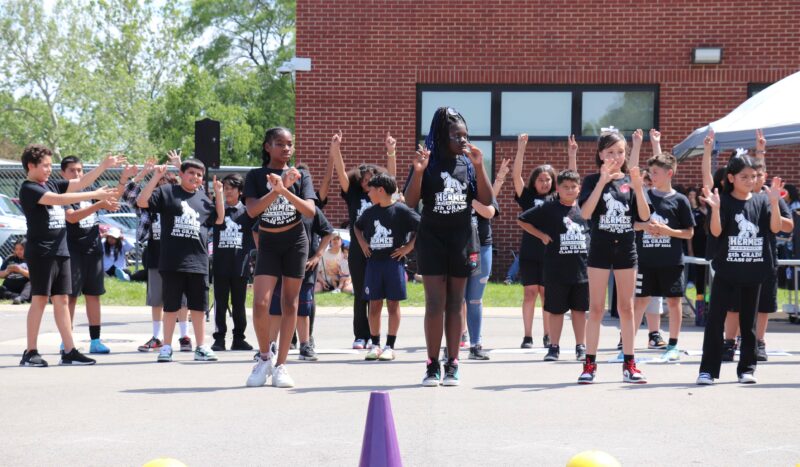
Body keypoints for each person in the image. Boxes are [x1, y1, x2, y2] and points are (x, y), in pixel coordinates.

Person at [404, 107, 494, 386]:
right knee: (435, 303)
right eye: (457, 135)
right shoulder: (427, 163)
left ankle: (453, 363)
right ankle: (432, 365)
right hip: (432, 239)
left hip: (463, 239)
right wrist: (418, 172)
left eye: (466, 135)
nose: (463, 141)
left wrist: (480, 167)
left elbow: (488, 201)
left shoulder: (467, 164)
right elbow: (409, 203)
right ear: (442, 136)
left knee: (456, 303)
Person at [18, 144, 121, 367]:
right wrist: (97, 195)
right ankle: (30, 352)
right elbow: (59, 200)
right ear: (31, 166)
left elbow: (79, 183)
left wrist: (103, 166)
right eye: (44, 165)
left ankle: (69, 349)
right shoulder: (29, 188)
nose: (48, 169)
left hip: (61, 251)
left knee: (63, 300)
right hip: (41, 253)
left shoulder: (52, 183)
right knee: (39, 300)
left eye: (49, 165)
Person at [697, 137, 782, 385]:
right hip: (727, 271)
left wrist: (775, 203)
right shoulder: (722, 201)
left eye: (754, 176)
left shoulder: (762, 201)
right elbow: (715, 232)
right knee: (715, 322)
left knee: (749, 323)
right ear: (731, 178)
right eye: (744, 176)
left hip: (754, 272)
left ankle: (747, 369)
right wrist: (714, 210)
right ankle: (708, 371)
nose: (750, 180)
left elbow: (775, 228)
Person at [243, 127, 316, 389]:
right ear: (267, 146)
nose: (286, 148)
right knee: (261, 303)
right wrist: (276, 189)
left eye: (290, 144)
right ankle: (265, 358)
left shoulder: (301, 175)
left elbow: (309, 210)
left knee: (290, 303)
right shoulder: (255, 176)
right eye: (280, 144)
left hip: (295, 242)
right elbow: (252, 211)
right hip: (269, 242)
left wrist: (286, 188)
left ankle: (282, 365)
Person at [577, 128, 650, 384]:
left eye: (620, 152)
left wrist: (639, 188)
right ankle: (589, 364)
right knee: (596, 308)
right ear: (600, 154)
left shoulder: (630, 180)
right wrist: (601, 181)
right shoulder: (590, 181)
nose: (616, 157)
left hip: (626, 249)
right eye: (610, 152)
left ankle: (629, 363)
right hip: (600, 248)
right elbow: (585, 213)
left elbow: (644, 216)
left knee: (626, 308)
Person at [137, 159, 224, 363]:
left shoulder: (203, 199)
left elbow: (218, 220)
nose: (195, 177)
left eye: (199, 175)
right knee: (171, 307)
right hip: (172, 261)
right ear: (182, 174)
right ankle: (166, 347)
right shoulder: (167, 192)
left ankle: (201, 347)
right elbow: (142, 201)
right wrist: (156, 177)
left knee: (198, 308)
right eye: (191, 173)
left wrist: (219, 193)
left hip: (198, 262)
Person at [330, 131, 396, 349]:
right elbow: (340, 173)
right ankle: (361, 335)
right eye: (365, 179)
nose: (368, 183)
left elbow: (392, 179)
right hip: (359, 250)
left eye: (372, 179)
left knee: (377, 295)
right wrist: (336, 149)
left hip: (380, 249)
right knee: (361, 293)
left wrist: (391, 152)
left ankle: (375, 335)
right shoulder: (353, 194)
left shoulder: (382, 196)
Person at [632, 136, 695, 362]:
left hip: (671, 261)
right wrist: (645, 226)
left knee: (674, 301)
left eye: (655, 173)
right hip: (646, 260)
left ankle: (673, 344)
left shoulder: (679, 200)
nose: (650, 176)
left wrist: (667, 231)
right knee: (640, 301)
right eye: (649, 173)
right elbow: (632, 223)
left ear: (669, 173)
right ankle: (627, 347)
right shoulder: (643, 196)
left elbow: (689, 232)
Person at [120, 155, 192, 353]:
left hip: (178, 254)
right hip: (156, 252)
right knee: (157, 297)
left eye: (164, 183)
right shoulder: (148, 205)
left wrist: (179, 167)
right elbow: (128, 194)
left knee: (182, 298)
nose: (160, 189)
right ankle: (157, 336)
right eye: (157, 184)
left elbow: (197, 192)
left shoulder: (180, 203)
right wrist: (146, 174)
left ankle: (184, 335)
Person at [518, 168, 589, 362]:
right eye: (565, 187)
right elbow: (522, 220)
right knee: (556, 310)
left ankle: (580, 346)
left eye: (573, 187)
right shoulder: (549, 207)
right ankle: (554, 346)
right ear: (558, 188)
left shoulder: (585, 208)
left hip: (581, 270)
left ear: (579, 188)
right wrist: (541, 235)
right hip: (556, 270)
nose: (569, 190)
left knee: (579, 311)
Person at [354, 173, 420, 361]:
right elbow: (357, 227)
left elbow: (422, 226)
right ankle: (375, 344)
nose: (368, 194)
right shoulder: (370, 212)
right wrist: (363, 244)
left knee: (393, 304)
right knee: (374, 305)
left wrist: (408, 247)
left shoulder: (401, 210)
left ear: (380, 190)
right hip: (374, 264)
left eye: (371, 190)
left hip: (393, 264)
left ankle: (390, 346)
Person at [269, 205, 335, 361]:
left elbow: (328, 233)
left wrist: (318, 256)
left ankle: (305, 345)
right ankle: (271, 345)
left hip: (304, 266)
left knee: (303, 308)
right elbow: (257, 230)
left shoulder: (311, 209)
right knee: (276, 307)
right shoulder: (277, 207)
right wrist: (266, 254)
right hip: (280, 266)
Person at [464, 157, 509, 360]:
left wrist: (470, 200)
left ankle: (476, 344)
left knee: (474, 299)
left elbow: (489, 212)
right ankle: (454, 343)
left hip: (480, 247)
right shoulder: (449, 193)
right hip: (457, 248)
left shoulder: (483, 193)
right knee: (455, 300)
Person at [211, 173, 255, 352]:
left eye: (231, 188)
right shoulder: (217, 210)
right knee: (220, 304)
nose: (227, 192)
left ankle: (239, 338)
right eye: (225, 188)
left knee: (239, 304)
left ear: (240, 191)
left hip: (240, 266)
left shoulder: (247, 212)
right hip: (220, 265)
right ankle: (219, 339)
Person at [0, 240, 31, 304]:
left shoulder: (31, 259)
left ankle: (21, 297)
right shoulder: (10, 258)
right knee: (2, 289)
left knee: (31, 285)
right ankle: (18, 297)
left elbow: (34, 276)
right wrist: (7, 271)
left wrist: (20, 270)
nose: (18, 251)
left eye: (21, 249)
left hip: (23, 285)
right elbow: (1, 275)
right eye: (16, 249)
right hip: (9, 285)